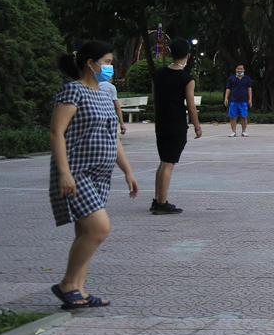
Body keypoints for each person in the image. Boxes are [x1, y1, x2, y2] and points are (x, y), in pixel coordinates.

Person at [49, 41, 140, 309]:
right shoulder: (71, 91)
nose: (110, 67)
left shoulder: (103, 94)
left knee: (85, 232)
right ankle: (67, 284)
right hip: (77, 172)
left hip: (101, 175)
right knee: (99, 229)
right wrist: (64, 173)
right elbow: (56, 133)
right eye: (108, 61)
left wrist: (128, 171)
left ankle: (79, 291)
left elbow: (113, 137)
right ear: (91, 63)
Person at [150, 38, 200, 215]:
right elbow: (191, 106)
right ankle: (162, 203)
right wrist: (197, 127)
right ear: (187, 55)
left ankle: (157, 199)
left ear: (170, 54)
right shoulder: (187, 78)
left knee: (163, 161)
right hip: (176, 123)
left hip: (162, 123)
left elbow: (155, 99)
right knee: (168, 163)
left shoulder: (157, 73)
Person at [96, 59, 127, 137]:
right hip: (109, 117)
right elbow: (117, 107)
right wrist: (122, 123)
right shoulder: (111, 87)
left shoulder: (93, 84)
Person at [223, 63, 253, 137]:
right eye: (238, 69)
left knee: (244, 116)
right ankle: (233, 131)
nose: (239, 70)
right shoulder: (231, 78)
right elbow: (228, 88)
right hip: (233, 100)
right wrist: (226, 98)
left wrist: (250, 99)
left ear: (243, 70)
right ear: (236, 69)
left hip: (243, 100)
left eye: (241, 69)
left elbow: (249, 89)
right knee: (233, 117)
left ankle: (244, 131)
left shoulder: (247, 79)